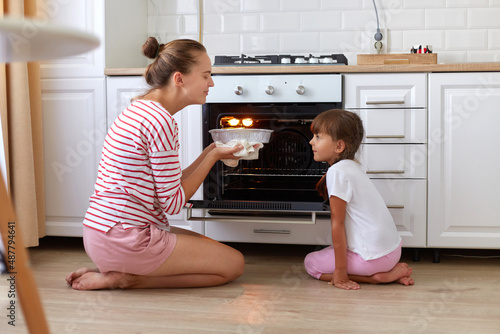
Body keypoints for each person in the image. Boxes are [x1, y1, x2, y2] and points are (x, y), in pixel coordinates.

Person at [66, 38, 246, 290]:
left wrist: (210, 150)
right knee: (234, 264)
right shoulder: (160, 121)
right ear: (179, 79)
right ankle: (128, 278)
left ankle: (114, 267)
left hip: (102, 234)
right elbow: (172, 204)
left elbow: (164, 186)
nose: (211, 83)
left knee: (214, 250)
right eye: (206, 75)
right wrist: (213, 158)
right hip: (126, 239)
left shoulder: (141, 110)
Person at [303, 109, 414, 290]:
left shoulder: (337, 172)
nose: (311, 141)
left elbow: (337, 224)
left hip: (375, 258)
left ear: (339, 146)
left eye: (318, 137)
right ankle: (385, 270)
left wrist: (340, 271)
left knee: (311, 263)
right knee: (328, 253)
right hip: (392, 251)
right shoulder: (351, 166)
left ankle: (378, 278)